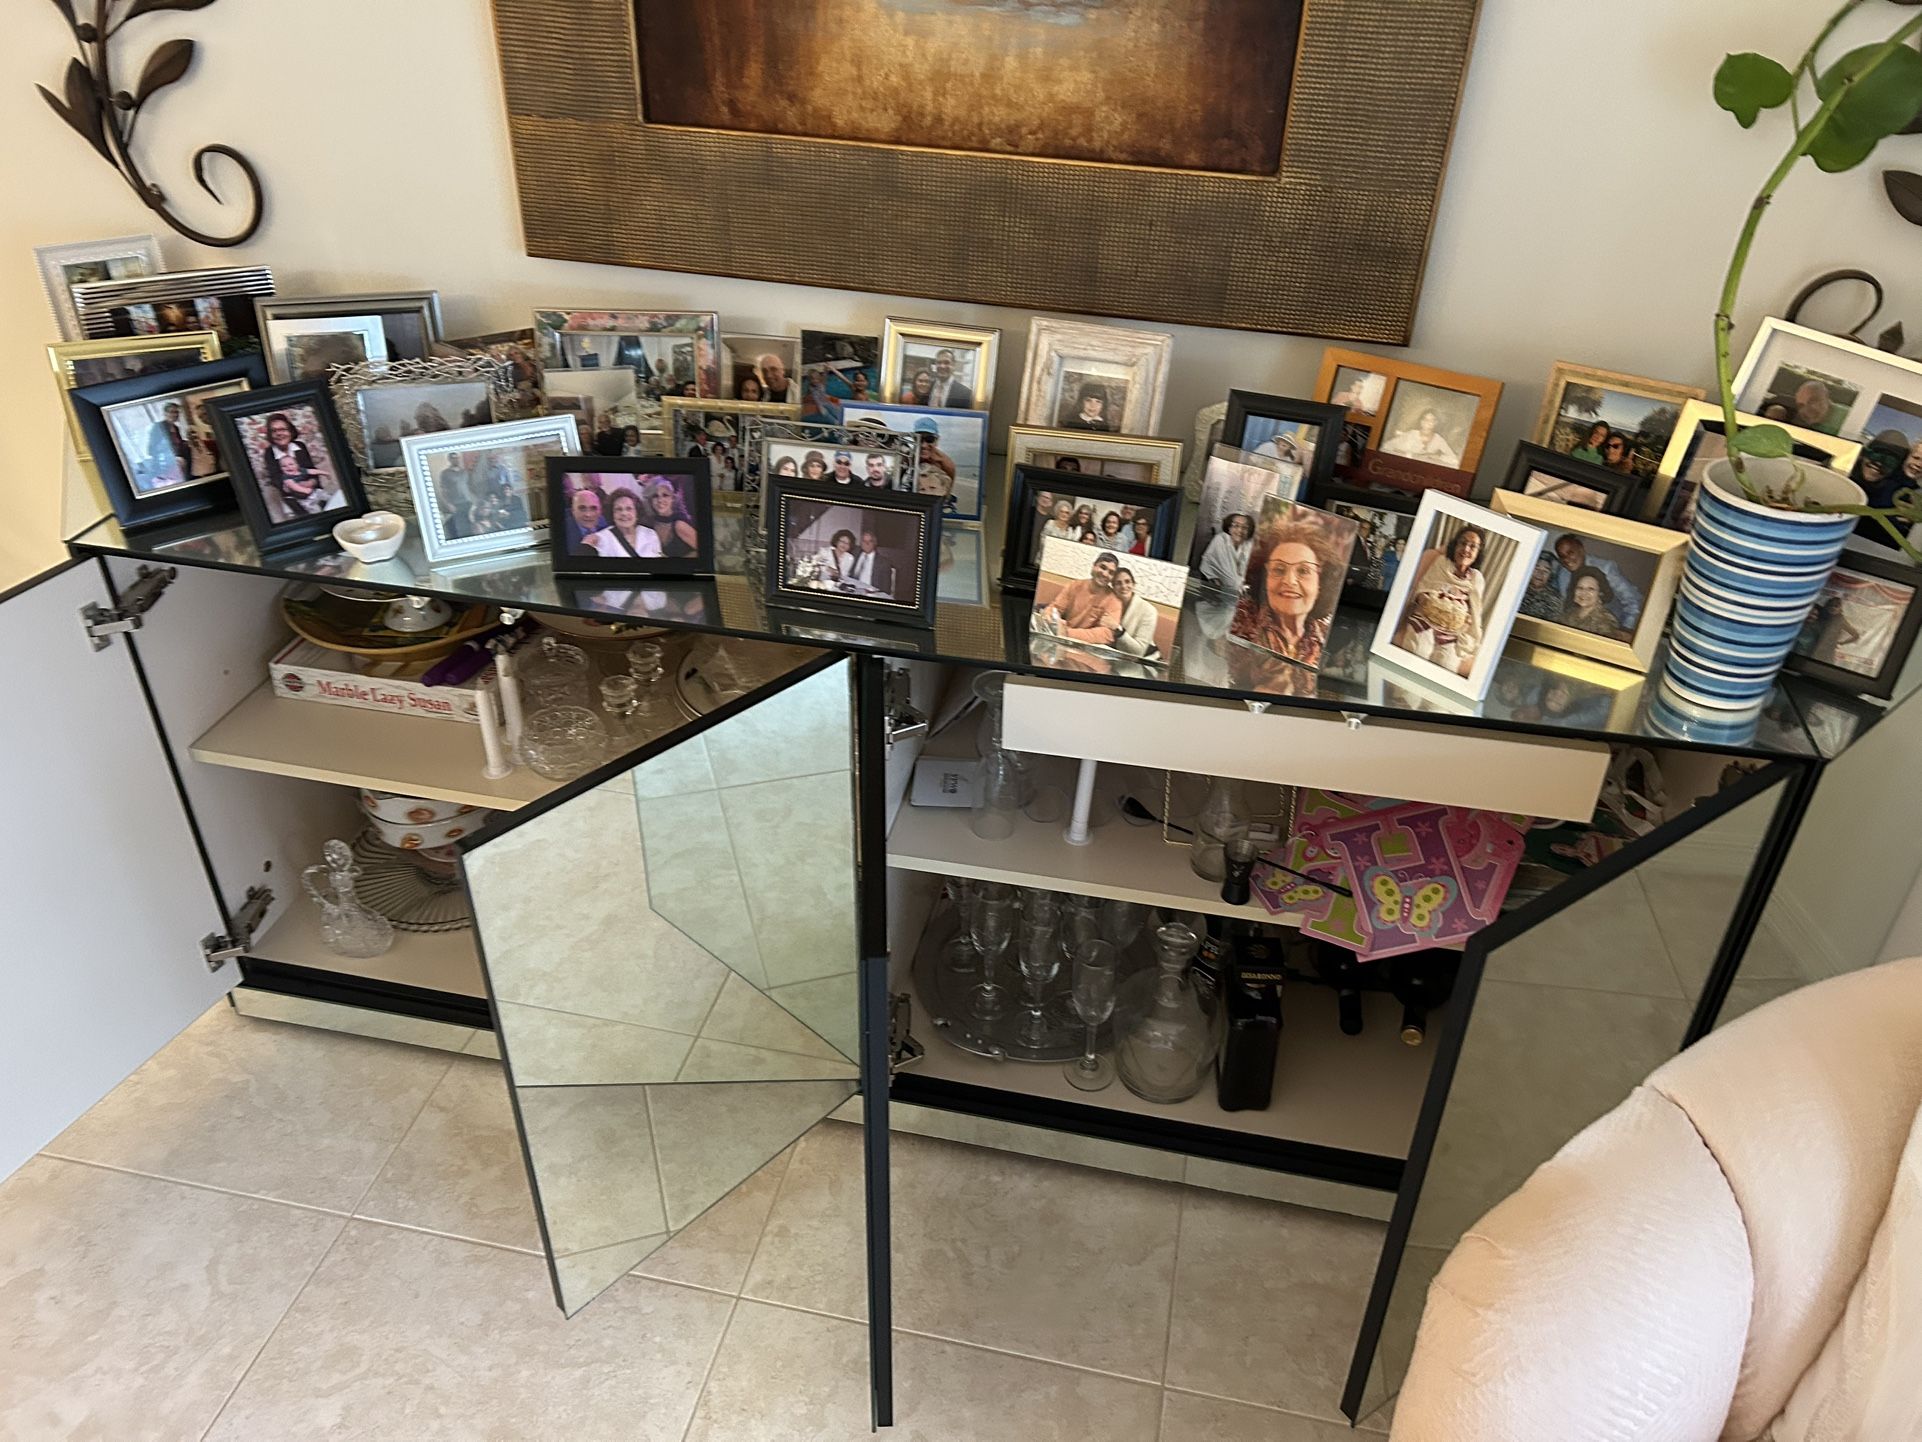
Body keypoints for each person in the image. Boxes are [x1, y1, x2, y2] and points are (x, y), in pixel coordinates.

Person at [1230, 513, 1342, 666]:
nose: (1289, 581)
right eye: (1279, 569)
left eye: (1303, 571)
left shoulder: (1325, 638)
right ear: (1264, 577)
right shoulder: (1240, 622)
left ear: (1320, 582)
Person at [1394, 525, 1487, 676]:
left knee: (1446, 666)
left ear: (1478, 553)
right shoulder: (1441, 562)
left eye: (1472, 546)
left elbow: (1476, 611)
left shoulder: (1477, 578)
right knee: (1418, 652)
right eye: (1463, 543)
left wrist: (1467, 622)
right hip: (1424, 621)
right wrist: (1424, 599)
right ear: (1455, 545)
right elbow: (1423, 588)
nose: (1466, 549)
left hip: (1453, 631)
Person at [1549, 533, 1643, 627]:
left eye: (1570, 553)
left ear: (1581, 550)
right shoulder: (1562, 573)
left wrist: (1625, 628)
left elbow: (1633, 600)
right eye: (1562, 556)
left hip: (1609, 626)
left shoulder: (1605, 568)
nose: (1566, 559)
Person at [1033, 551, 1123, 641]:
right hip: (1060, 637)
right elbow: (1056, 608)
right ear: (1093, 566)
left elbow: (1107, 634)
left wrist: (1067, 633)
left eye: (1111, 572)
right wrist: (1049, 615)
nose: (1105, 574)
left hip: (1085, 644)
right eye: (1102, 567)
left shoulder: (1114, 601)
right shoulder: (1074, 586)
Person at [256, 412, 329, 518]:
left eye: (283, 429)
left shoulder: (300, 446)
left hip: (311, 488)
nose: (279, 433)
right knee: (304, 516)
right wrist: (292, 486)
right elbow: (275, 477)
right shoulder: (269, 452)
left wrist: (312, 482)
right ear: (270, 435)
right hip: (291, 493)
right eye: (274, 431)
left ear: (290, 431)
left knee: (327, 508)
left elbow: (310, 468)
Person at [586, 487, 665, 559]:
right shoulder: (601, 538)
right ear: (612, 514)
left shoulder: (650, 534)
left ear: (637, 512)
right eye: (618, 509)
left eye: (629, 508)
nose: (624, 513)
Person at [1559, 566, 1630, 639]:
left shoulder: (1606, 623)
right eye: (1580, 588)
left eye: (1591, 589)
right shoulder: (1567, 615)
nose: (1584, 593)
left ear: (1600, 593)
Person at [1107, 568, 1162, 659]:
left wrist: (1117, 630)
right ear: (1113, 587)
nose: (1123, 586)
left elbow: (1138, 652)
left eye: (1127, 581)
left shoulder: (1149, 610)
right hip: (1117, 656)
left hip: (1145, 659)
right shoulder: (1109, 604)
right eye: (1118, 583)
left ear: (1133, 584)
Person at [1381, 408, 1461, 467]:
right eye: (1425, 419)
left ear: (1436, 423)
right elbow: (1386, 446)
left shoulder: (1438, 439)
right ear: (1421, 421)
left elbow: (1455, 460)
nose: (1427, 423)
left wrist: (1437, 457)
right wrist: (1405, 454)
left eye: (1431, 420)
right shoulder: (1411, 434)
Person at [642, 477, 698, 557]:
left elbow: (703, 550)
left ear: (673, 498)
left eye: (665, 495)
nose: (660, 500)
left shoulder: (680, 525)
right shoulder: (650, 524)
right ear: (650, 500)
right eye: (655, 496)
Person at [1199, 512, 1254, 592]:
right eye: (1236, 526)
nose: (1240, 530)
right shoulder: (1220, 540)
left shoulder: (1251, 546)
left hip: (1242, 593)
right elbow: (1207, 563)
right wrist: (1215, 581)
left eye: (1245, 527)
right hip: (1219, 590)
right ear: (1229, 528)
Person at [142, 401, 190, 488]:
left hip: (178, 458)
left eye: (176, 412)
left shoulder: (176, 428)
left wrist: (185, 443)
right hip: (164, 460)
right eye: (171, 412)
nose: (175, 414)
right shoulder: (159, 427)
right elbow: (152, 448)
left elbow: (178, 443)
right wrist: (171, 455)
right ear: (165, 413)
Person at [911, 418, 956, 499]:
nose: (924, 445)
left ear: (936, 441)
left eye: (929, 439)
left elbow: (948, 490)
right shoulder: (908, 457)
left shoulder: (946, 463)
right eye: (919, 439)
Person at [847, 527, 897, 596]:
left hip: (871, 594)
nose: (867, 543)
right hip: (852, 590)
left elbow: (886, 589)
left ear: (875, 543)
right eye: (864, 541)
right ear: (861, 543)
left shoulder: (884, 562)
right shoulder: (854, 554)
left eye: (870, 541)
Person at [1519, 554, 1563, 619]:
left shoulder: (1556, 597)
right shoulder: (1517, 589)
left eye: (1545, 571)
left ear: (1550, 576)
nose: (1540, 574)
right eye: (1536, 569)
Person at [563, 486, 605, 553]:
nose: (588, 514)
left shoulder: (607, 526)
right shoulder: (564, 531)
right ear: (573, 511)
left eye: (593, 508)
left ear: (600, 511)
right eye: (582, 508)